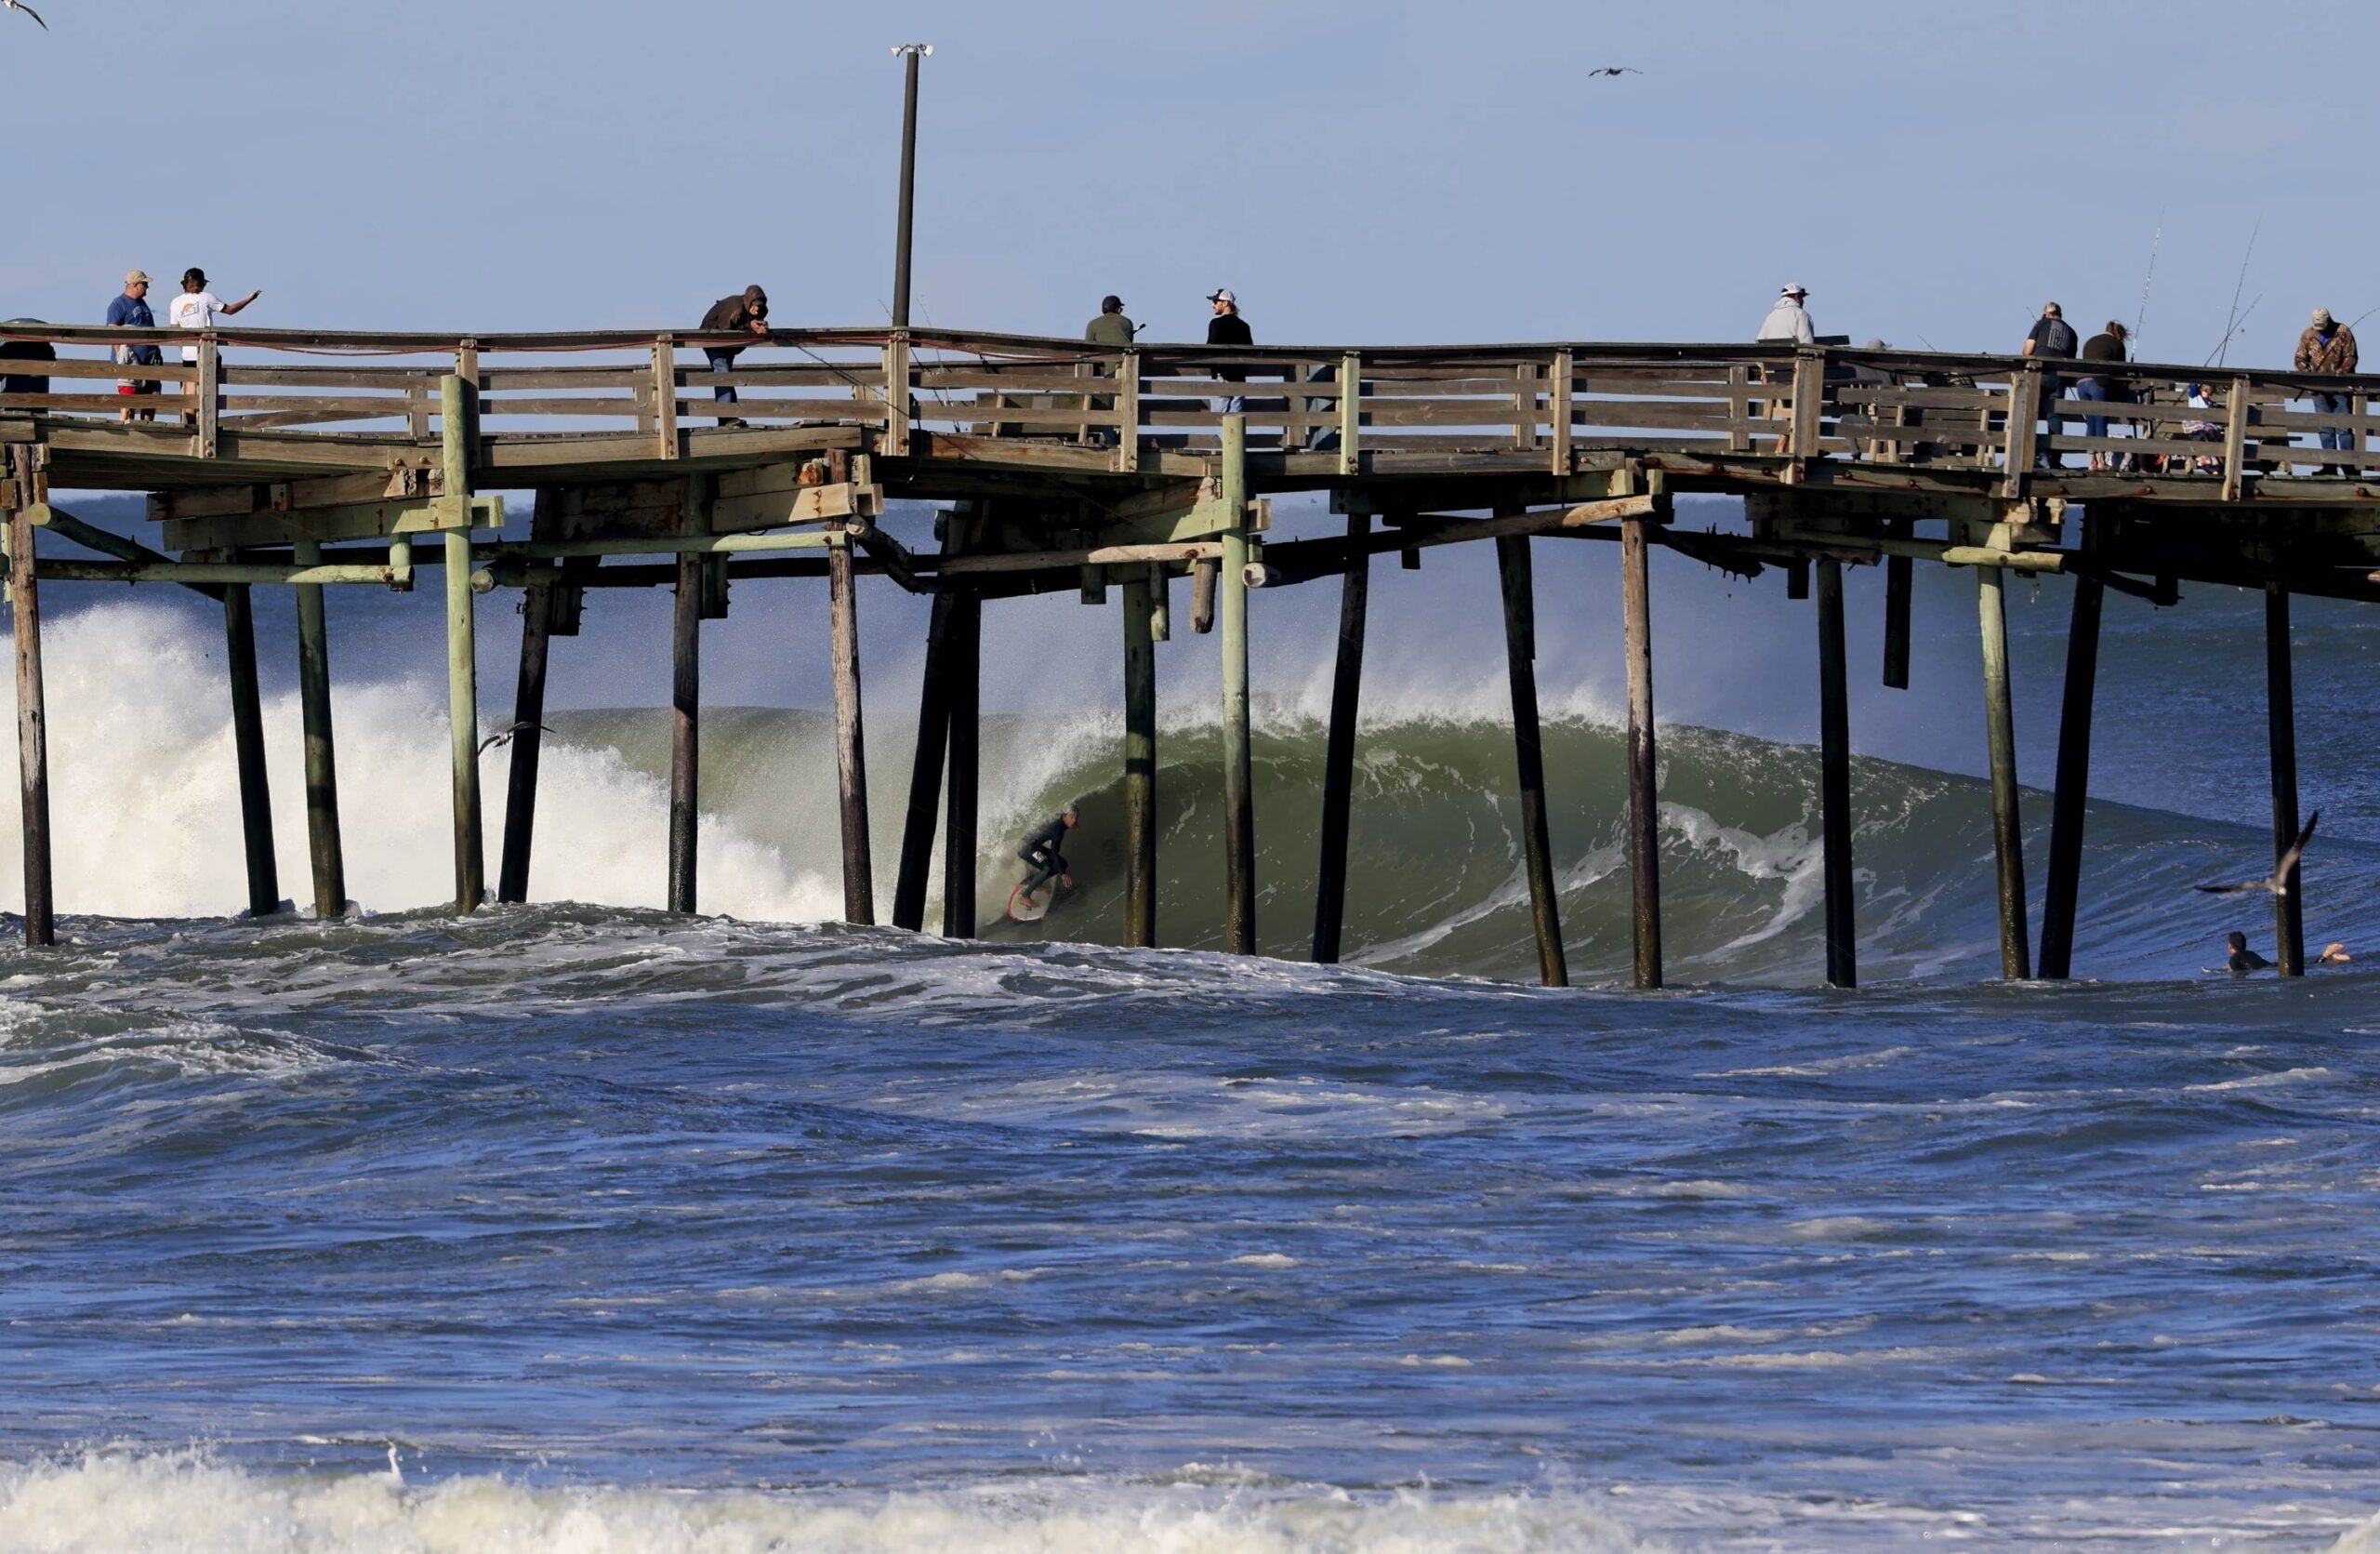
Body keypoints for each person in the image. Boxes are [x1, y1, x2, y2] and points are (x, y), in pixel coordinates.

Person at [167, 268, 259, 425]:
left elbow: (174, 329)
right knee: (210, 387)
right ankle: (210, 422)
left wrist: (183, 347)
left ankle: (190, 422)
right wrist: (249, 299)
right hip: (208, 351)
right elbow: (230, 310)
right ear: (201, 283)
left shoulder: (176, 302)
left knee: (190, 388)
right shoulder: (206, 298)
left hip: (188, 353)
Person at [2294, 307, 2359, 472]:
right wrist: (2305, 370)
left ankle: (2348, 467)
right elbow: (2300, 358)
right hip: (2318, 389)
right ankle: (2329, 466)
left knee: (2344, 428)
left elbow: (2351, 357)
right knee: (2325, 428)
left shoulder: (2343, 331)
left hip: (2341, 388)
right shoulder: (2308, 335)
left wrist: (2341, 373)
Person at [698, 285, 769, 427]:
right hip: (713, 339)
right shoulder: (735, 307)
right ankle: (725, 416)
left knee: (727, 376)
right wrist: (751, 327)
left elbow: (745, 327)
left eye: (759, 307)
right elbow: (726, 330)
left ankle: (729, 416)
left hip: (729, 347)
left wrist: (761, 329)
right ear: (749, 302)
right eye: (754, 306)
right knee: (722, 373)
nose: (757, 310)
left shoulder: (758, 312)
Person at [1754, 284, 1813, 455]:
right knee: (1803, 403)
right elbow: (1808, 347)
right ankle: (1788, 446)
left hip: (1774, 376)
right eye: (1802, 297)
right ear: (1796, 297)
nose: (1802, 300)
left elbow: (1758, 345)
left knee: (1790, 406)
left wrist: (1764, 372)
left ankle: (1784, 445)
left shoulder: (1770, 317)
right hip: (1794, 374)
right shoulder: (1801, 315)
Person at [2020, 302, 2079, 467]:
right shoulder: (2071, 332)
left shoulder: (2041, 324)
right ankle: (2055, 458)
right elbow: (2072, 359)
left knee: (2030, 410)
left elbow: (2028, 350)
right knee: (2054, 416)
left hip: (2039, 374)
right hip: (2059, 377)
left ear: (2046, 314)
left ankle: (2028, 453)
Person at [105, 269, 162, 424]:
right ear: (136, 285)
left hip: (150, 362)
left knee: (152, 398)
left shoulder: (142, 303)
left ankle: (148, 429)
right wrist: (120, 356)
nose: (147, 288)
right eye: (145, 284)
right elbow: (112, 331)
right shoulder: (118, 304)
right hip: (130, 363)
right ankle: (127, 433)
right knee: (129, 404)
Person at [2074, 321, 2131, 472]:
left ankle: (2091, 461)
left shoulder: (2091, 341)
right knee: (2100, 421)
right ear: (2119, 334)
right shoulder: (2117, 345)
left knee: (2090, 422)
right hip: (2098, 383)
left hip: (2081, 382)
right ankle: (2101, 460)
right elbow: (2122, 370)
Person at [1082, 295, 1135, 445]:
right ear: (1119, 309)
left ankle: (1110, 438)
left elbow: (1087, 350)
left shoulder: (1093, 324)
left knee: (1109, 405)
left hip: (1109, 371)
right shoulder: (1127, 322)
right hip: (1128, 370)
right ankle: (1121, 439)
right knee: (1124, 405)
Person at [1016, 806, 1078, 907]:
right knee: (1048, 868)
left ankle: (1033, 882)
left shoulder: (1059, 822)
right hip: (1026, 848)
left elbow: (1063, 824)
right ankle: (1025, 896)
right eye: (1072, 817)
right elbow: (1054, 853)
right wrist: (1063, 874)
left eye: (1076, 818)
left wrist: (1070, 825)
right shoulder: (1057, 832)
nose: (1074, 820)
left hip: (1033, 846)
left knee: (1062, 863)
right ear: (1064, 816)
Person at [1206, 288, 1251, 414]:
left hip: (1222, 376)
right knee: (1236, 422)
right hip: (1240, 378)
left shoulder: (1216, 324)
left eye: (1216, 301)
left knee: (1219, 419)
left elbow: (1209, 349)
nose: (1212, 305)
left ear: (1225, 304)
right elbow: (1251, 351)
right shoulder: (1244, 326)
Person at [0, 319, 55, 400]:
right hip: (37, 399)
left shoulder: (8, 349)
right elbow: (52, 360)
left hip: (12, 398)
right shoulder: (45, 349)